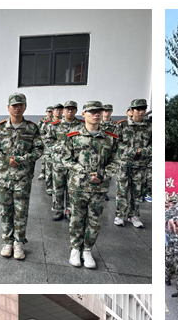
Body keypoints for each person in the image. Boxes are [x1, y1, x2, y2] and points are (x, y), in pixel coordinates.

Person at [61, 101, 120, 269]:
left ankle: (87, 249)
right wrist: (84, 173)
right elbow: (66, 159)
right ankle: (75, 248)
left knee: (94, 220)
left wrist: (102, 175)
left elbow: (116, 160)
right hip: (78, 186)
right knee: (76, 219)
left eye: (99, 111)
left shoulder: (110, 138)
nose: (96, 114)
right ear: (83, 114)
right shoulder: (73, 136)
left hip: (99, 187)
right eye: (92, 111)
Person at [0, 92, 44, 261]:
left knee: (21, 211)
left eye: (20, 105)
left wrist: (21, 159)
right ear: (8, 108)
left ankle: (18, 242)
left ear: (25, 107)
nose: (17, 108)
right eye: (14, 105)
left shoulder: (32, 128)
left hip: (23, 177)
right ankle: (7, 241)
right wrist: (6, 159)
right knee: (5, 210)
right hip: (4, 177)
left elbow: (39, 150)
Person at [114, 99, 151, 228]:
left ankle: (133, 215)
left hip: (140, 165)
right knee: (122, 191)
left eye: (143, 109)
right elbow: (116, 143)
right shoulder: (122, 125)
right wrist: (133, 151)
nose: (141, 112)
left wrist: (144, 151)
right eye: (138, 109)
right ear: (131, 110)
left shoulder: (150, 127)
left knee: (137, 192)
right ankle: (119, 215)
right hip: (124, 164)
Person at [51, 100, 83, 221]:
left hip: (74, 162)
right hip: (59, 161)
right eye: (67, 109)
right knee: (58, 186)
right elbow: (48, 140)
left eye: (72, 109)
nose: (70, 111)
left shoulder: (81, 126)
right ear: (64, 110)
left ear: (76, 111)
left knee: (72, 187)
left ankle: (69, 209)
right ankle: (58, 209)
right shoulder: (55, 125)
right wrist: (59, 148)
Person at [41, 103, 64, 196]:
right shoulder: (47, 123)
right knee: (49, 169)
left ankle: (59, 187)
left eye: (60, 110)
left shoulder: (64, 123)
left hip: (62, 152)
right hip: (49, 150)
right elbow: (42, 135)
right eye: (56, 110)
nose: (58, 111)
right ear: (53, 111)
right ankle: (49, 187)